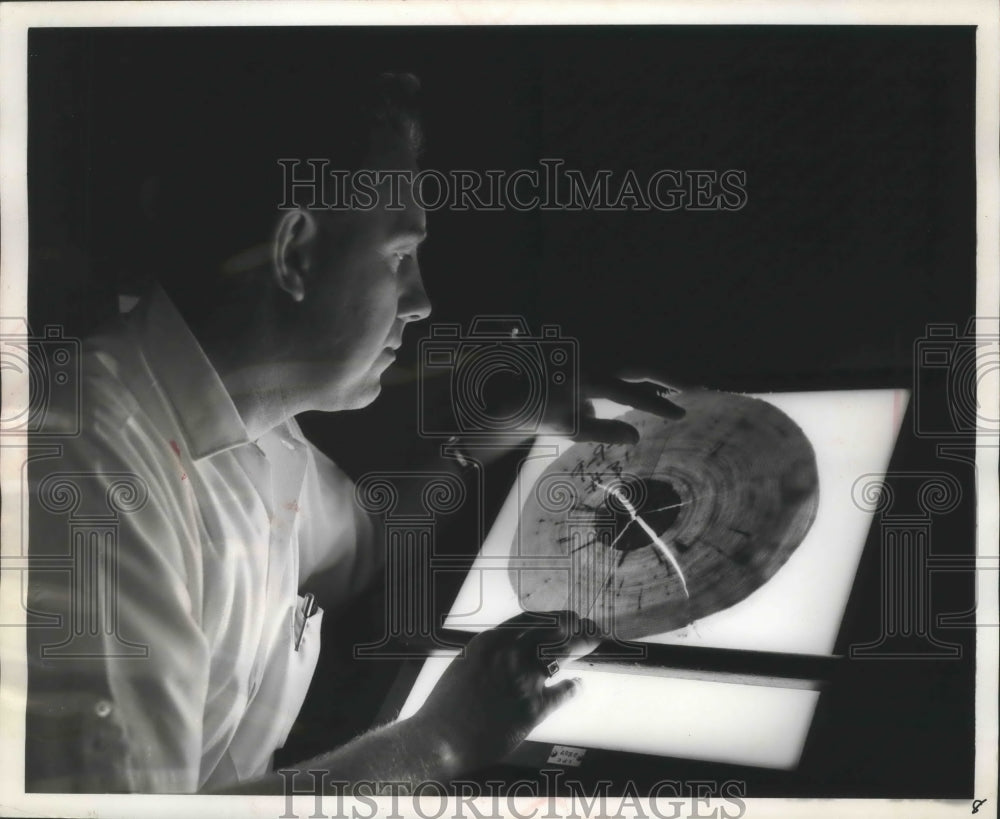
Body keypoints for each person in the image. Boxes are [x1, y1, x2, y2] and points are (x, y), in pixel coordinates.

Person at [26, 68, 681, 795]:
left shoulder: (261, 435)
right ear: (295, 253)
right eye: (400, 257)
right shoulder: (87, 469)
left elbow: (367, 539)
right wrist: (441, 740)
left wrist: (482, 437)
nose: (422, 302)